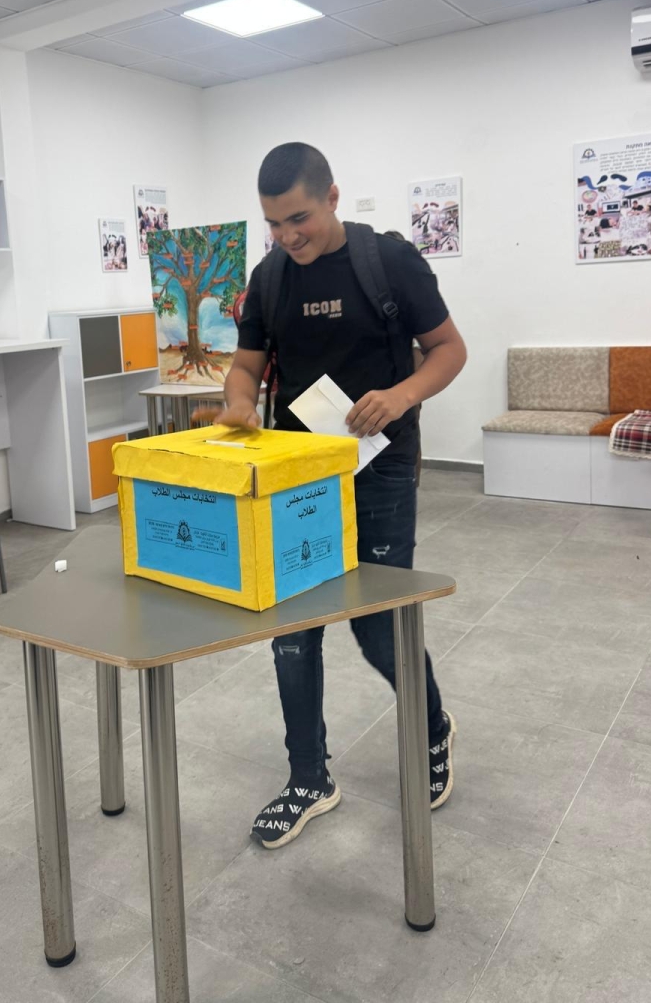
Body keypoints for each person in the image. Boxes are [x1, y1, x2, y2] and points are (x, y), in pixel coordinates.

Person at [203, 143, 467, 850]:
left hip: (380, 469)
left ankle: (432, 729)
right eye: (274, 223)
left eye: (299, 218)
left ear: (332, 197)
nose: (288, 236)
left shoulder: (390, 261)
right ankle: (308, 777)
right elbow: (246, 366)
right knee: (292, 629)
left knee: (379, 626)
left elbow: (449, 350)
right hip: (298, 477)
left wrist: (401, 395)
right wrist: (238, 403)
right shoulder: (269, 277)